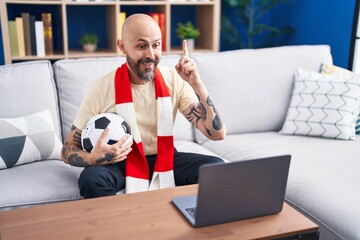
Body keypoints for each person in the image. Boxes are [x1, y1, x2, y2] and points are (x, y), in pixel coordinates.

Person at [61, 13, 226, 198]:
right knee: (91, 179)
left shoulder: (174, 80)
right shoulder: (101, 88)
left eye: (156, 45)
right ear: (122, 47)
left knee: (216, 168)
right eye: (141, 46)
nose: (150, 55)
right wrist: (92, 158)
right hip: (120, 161)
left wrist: (197, 83)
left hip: (165, 157)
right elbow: (67, 148)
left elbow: (218, 133)